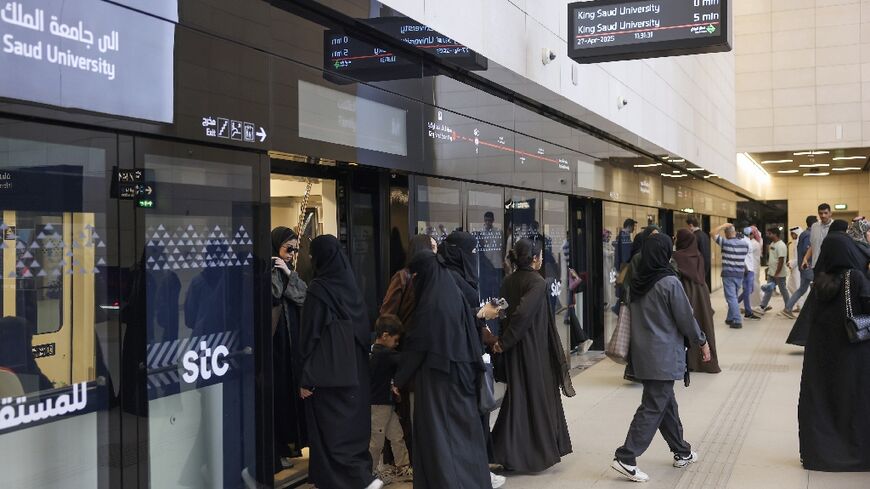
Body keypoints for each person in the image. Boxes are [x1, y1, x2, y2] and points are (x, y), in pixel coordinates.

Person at [611, 234, 711, 483]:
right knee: (654, 405)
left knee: (666, 403)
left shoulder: (637, 283)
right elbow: (685, 318)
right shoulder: (669, 282)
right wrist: (702, 340)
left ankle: (682, 451)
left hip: (643, 355)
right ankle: (626, 456)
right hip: (663, 355)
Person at [394, 248, 490, 489]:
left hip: (439, 381)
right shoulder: (449, 290)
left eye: (415, 275)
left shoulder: (430, 303)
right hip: (460, 375)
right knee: (462, 437)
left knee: (440, 439)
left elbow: (418, 345)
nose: (414, 280)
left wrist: (398, 378)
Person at [299, 235, 382, 489]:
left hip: (328, 378)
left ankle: (355, 481)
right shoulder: (351, 287)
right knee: (352, 430)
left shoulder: (319, 289)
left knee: (330, 432)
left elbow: (310, 336)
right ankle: (362, 476)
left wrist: (304, 377)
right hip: (355, 373)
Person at [491, 238, 574, 473]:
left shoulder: (509, 280)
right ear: (535, 259)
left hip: (516, 349)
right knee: (536, 397)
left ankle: (507, 450)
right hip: (532, 349)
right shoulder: (537, 282)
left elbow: (506, 313)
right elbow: (522, 316)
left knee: (520, 396)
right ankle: (533, 453)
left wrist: (503, 342)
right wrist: (503, 343)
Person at [798, 223, 870, 471]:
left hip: (822, 358)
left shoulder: (819, 283)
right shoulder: (857, 277)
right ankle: (856, 453)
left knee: (825, 403)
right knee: (853, 402)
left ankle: (822, 454)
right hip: (854, 355)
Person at [437, 230, 505, 489]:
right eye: (470, 252)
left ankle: (480, 469)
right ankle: (475, 473)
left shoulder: (457, 276)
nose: (474, 257)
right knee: (472, 418)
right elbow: (452, 316)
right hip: (460, 359)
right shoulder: (448, 278)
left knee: (479, 415)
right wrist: (480, 314)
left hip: (472, 354)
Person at [270, 227, 309, 469]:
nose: (291, 254)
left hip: (292, 344)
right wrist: (281, 273)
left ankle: (290, 446)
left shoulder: (291, 271)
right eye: (287, 248)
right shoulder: (268, 271)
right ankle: (279, 449)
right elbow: (274, 294)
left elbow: (304, 296)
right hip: (275, 345)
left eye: (295, 249)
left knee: (290, 394)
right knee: (279, 396)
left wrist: (287, 272)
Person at [369, 315, 411, 481]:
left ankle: (403, 466)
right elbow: (405, 361)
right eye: (396, 340)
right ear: (385, 336)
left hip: (384, 404)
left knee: (396, 435)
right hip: (379, 405)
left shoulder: (373, 351)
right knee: (376, 441)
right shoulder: (385, 355)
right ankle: (369, 473)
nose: (397, 344)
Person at [673, 229, 721, 374]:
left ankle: (689, 361)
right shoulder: (698, 255)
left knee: (685, 324)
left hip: (685, 291)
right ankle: (704, 360)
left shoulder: (676, 256)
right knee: (702, 323)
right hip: (701, 291)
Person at [380, 234, 438, 327]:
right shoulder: (403, 276)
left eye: (436, 248)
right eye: (432, 247)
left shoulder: (438, 276)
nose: (435, 252)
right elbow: (388, 312)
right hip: (407, 334)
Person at [713, 223, 750, 328]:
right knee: (733, 296)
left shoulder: (725, 243)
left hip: (728, 274)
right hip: (739, 274)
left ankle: (737, 320)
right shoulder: (744, 244)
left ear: (726, 233)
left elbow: (712, 233)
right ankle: (730, 318)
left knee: (731, 297)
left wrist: (722, 225)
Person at [782, 218, 815, 318]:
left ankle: (788, 308)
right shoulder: (809, 234)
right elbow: (807, 251)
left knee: (802, 289)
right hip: (808, 266)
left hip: (802, 267)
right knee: (815, 288)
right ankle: (811, 311)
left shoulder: (804, 234)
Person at [759, 228, 790, 313]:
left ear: (775, 234)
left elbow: (781, 261)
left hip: (779, 273)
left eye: (769, 234)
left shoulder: (781, 245)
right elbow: (772, 258)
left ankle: (788, 307)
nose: (767, 235)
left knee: (783, 290)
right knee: (768, 290)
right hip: (771, 272)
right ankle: (763, 306)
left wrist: (777, 273)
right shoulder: (772, 244)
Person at [737, 226, 763, 320]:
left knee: (749, 290)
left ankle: (735, 304)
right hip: (747, 269)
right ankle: (747, 311)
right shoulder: (748, 242)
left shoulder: (746, 241)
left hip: (749, 269)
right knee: (748, 290)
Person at [801, 203, 833, 271]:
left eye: (825, 213)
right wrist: (805, 258)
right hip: (816, 265)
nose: (823, 215)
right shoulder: (814, 226)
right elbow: (812, 245)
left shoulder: (835, 226)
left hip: (831, 266)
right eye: (820, 213)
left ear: (830, 213)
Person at [687, 217, 712, 289]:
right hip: (706, 265)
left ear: (691, 225)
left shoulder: (693, 236)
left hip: (698, 266)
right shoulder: (705, 235)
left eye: (688, 226)